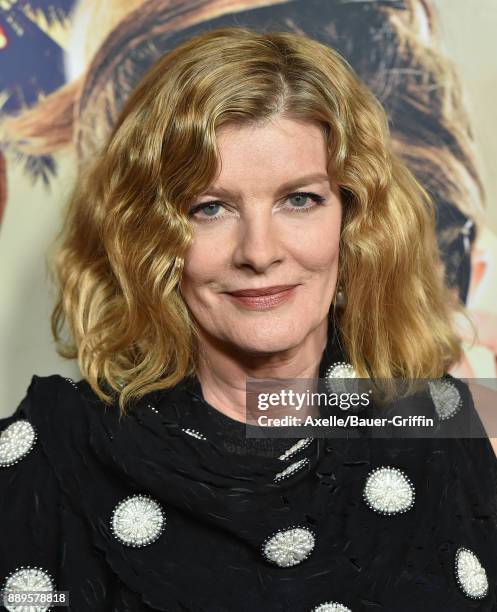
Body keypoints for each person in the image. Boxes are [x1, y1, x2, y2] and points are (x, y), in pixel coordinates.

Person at [1, 26, 496, 612]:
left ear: (354, 220)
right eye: (210, 208)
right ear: (150, 238)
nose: (259, 252)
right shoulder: (50, 454)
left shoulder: (444, 425)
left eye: (300, 200)